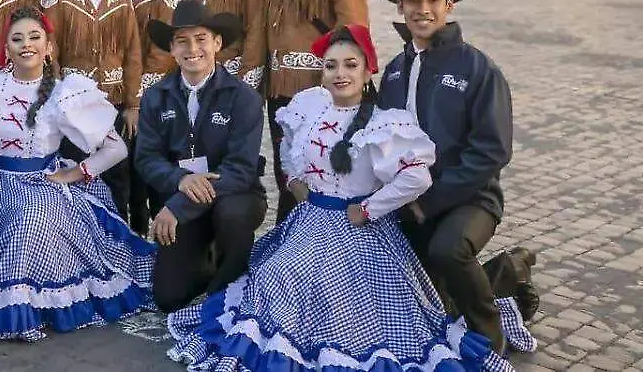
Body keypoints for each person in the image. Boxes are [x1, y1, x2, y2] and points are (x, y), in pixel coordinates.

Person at [167, 24, 528, 371]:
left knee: (332, 293)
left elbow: (416, 177)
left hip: (359, 233)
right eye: (331, 66)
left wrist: (369, 208)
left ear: (368, 72)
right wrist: (295, 181)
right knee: (276, 274)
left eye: (351, 65)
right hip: (310, 223)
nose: (340, 74)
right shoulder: (310, 107)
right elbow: (289, 148)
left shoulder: (384, 123)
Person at [0, 6, 155, 341]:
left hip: (42, 185)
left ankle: (21, 300)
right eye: (17, 39)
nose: (26, 44)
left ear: (48, 47)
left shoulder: (65, 92)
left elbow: (116, 150)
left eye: (34, 37)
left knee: (30, 218)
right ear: (6, 49)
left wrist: (76, 173)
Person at [375, 0, 538, 354]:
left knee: (447, 251)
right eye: (413, 0)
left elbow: (493, 150)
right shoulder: (394, 71)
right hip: (409, 202)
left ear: (449, 4)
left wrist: (430, 201)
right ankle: (508, 270)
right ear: (400, 6)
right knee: (426, 299)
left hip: (471, 199)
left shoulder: (478, 68)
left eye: (433, 0)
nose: (423, 9)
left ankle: (490, 337)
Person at [134, 0, 267, 313]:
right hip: (182, 196)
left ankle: (231, 276)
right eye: (182, 41)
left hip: (233, 196)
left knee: (232, 215)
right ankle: (202, 260)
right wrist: (181, 180)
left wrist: (178, 205)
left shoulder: (244, 97)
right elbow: (146, 158)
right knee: (169, 297)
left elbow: (240, 169)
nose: (192, 49)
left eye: (201, 39)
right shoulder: (155, 96)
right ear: (172, 48)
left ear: (217, 43)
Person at [253, 0, 369, 223]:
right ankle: (292, 237)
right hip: (279, 87)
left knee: (323, 171)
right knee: (287, 171)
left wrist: (344, 83)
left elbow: (353, 26)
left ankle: (319, 238)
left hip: (323, 87)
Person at [43, 0, 143, 223]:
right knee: (74, 166)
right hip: (72, 106)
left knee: (116, 173)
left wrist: (132, 104)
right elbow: (50, 51)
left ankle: (120, 233)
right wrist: (55, 96)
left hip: (112, 101)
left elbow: (132, 53)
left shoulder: (120, 0)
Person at [109, 0, 184, 234]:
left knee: (150, 168)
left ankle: (159, 237)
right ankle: (129, 234)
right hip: (119, 90)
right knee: (124, 170)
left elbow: (162, 53)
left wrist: (136, 101)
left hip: (153, 96)